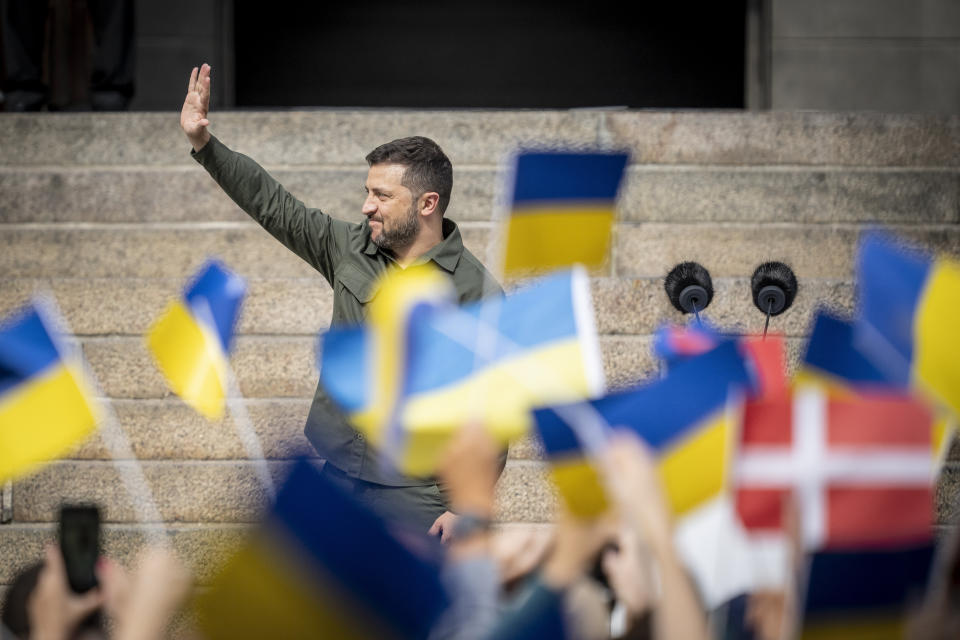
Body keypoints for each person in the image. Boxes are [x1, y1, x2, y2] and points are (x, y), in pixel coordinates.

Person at [180, 63, 503, 538]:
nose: (366, 205)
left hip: (418, 498)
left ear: (427, 204)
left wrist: (468, 508)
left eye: (381, 195)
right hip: (336, 477)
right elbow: (274, 205)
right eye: (366, 191)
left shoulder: (476, 291)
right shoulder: (349, 247)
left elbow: (496, 412)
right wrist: (205, 145)